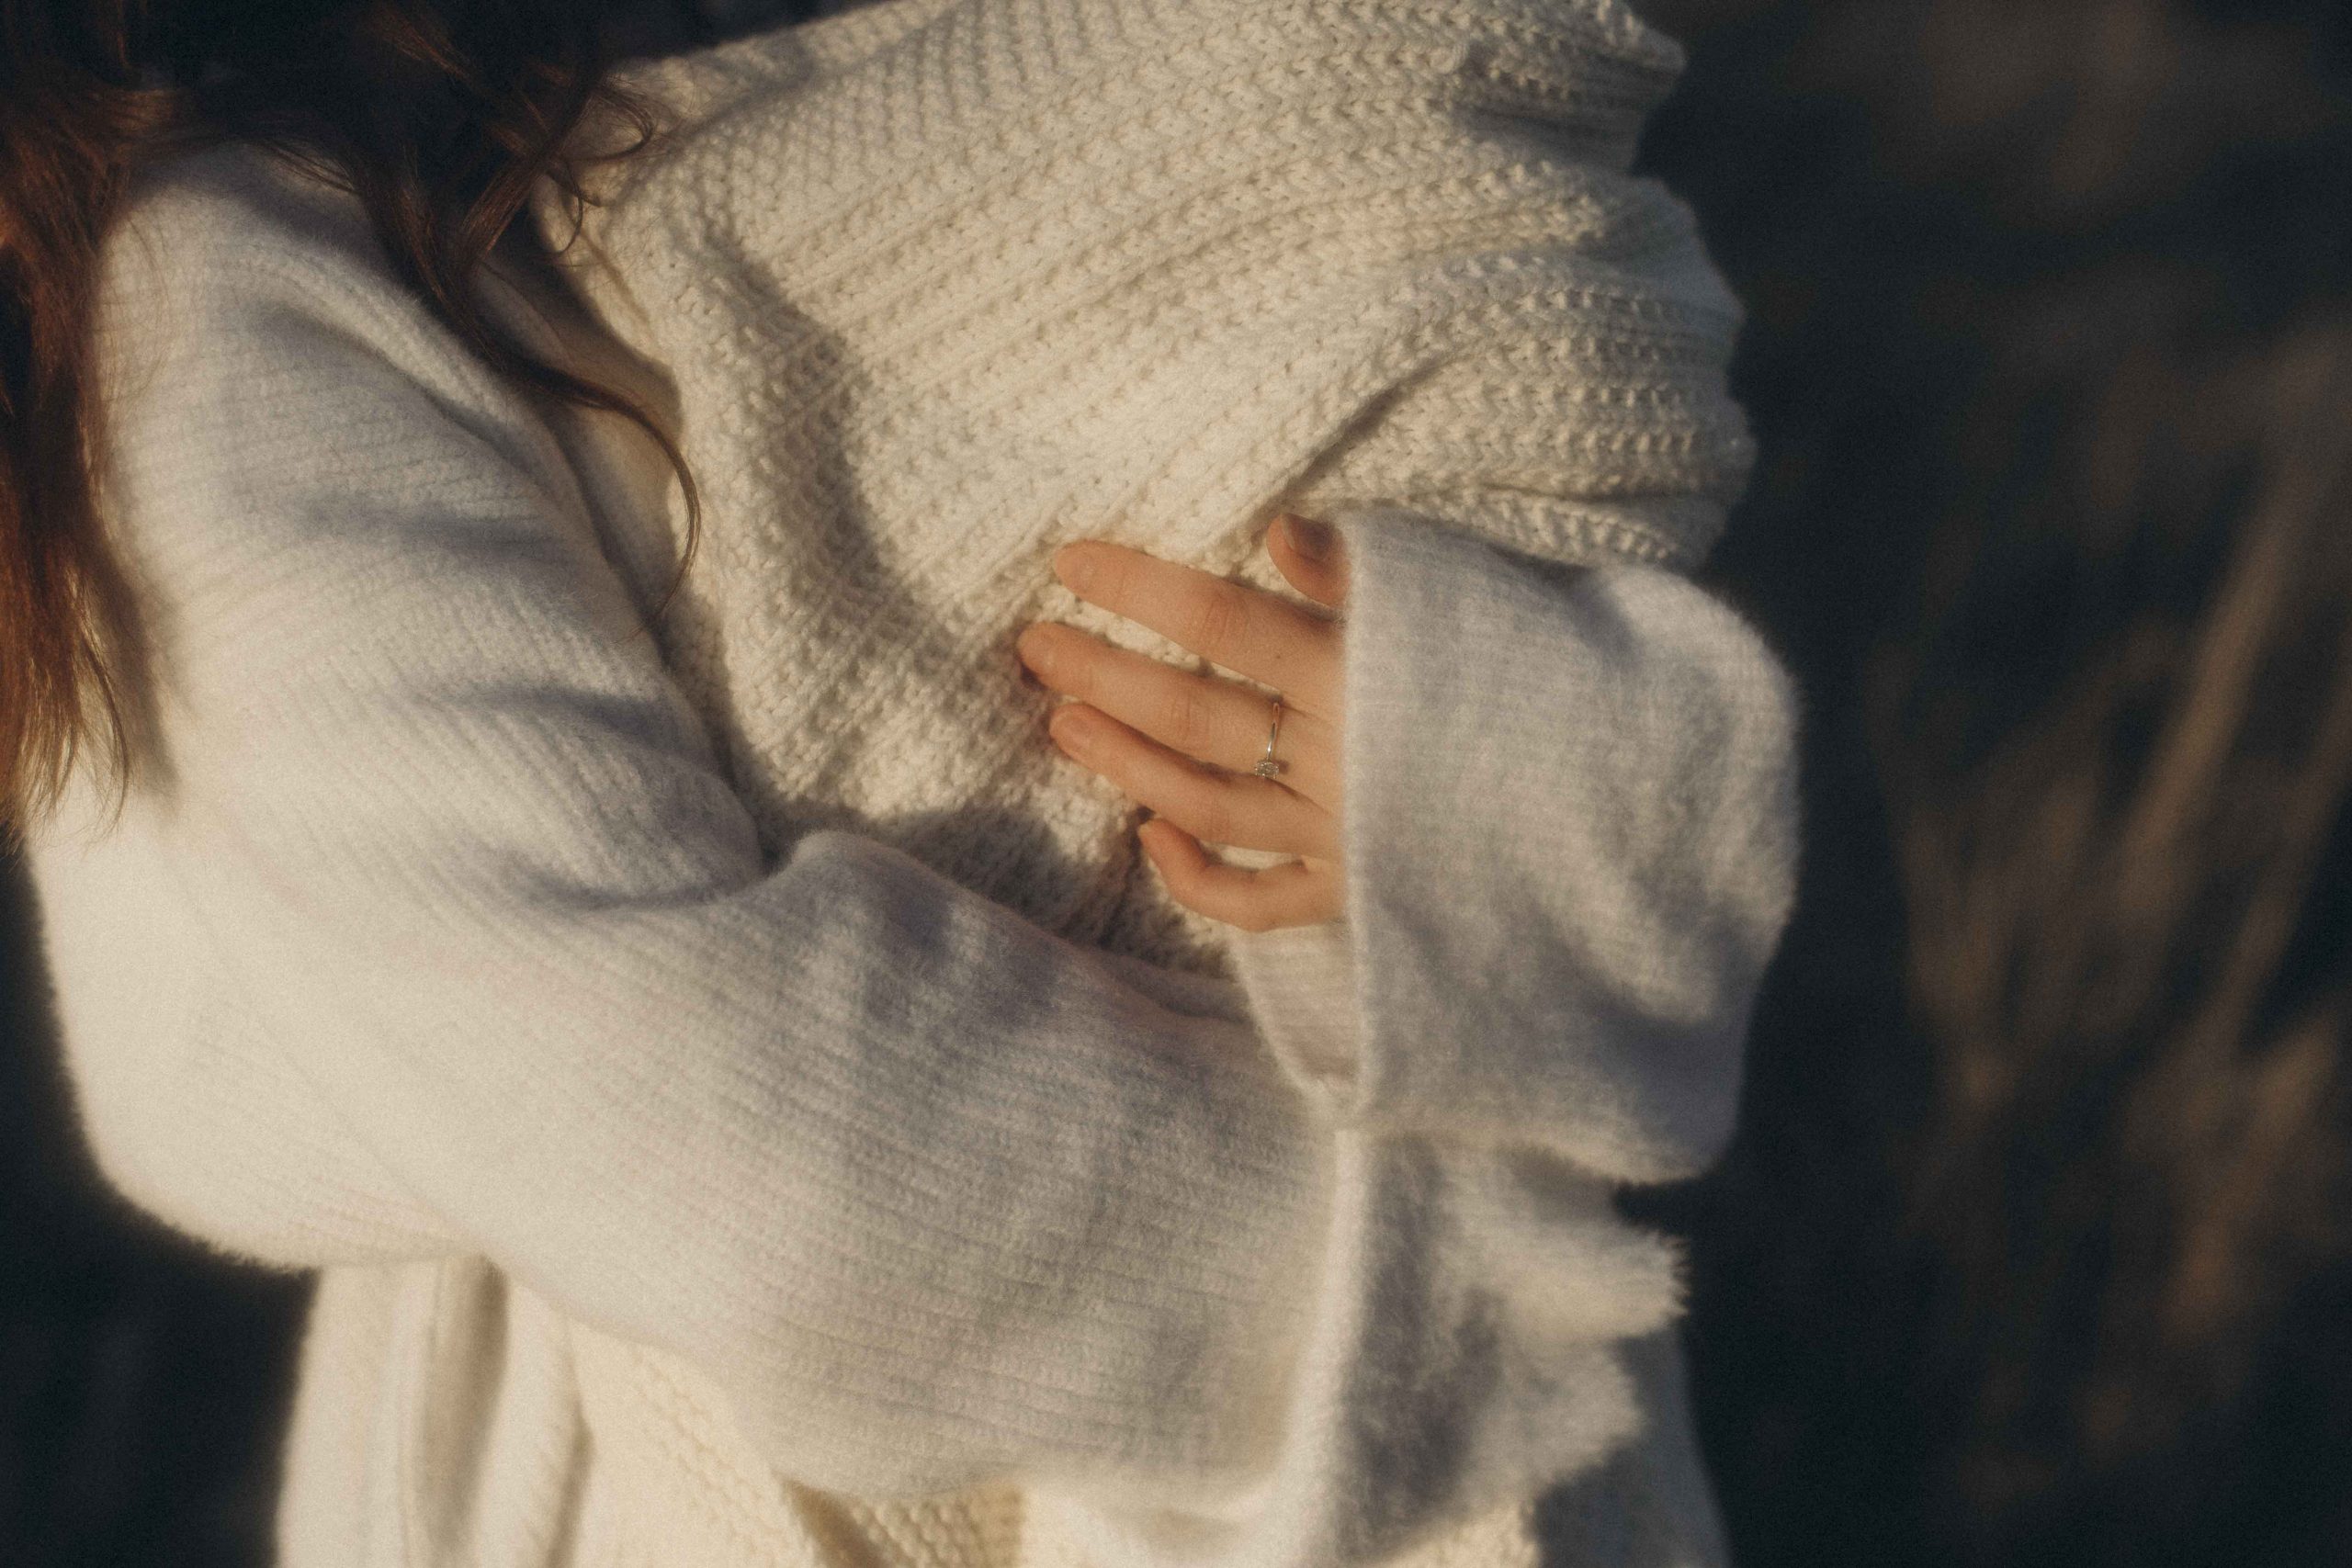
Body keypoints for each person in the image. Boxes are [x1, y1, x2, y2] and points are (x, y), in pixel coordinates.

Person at [2, 1, 1801, 1564]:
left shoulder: (658, 79)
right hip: (832, 1446)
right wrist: (1429, 1305)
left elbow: (1608, 735)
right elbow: (696, 1116)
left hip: (1344, 1385)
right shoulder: (223, 287)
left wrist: (1449, 765)